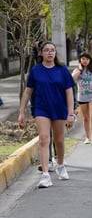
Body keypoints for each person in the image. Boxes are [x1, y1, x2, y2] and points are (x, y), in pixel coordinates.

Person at [18, 41, 76, 188]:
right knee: (44, 139)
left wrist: (70, 113)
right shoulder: (36, 71)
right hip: (41, 109)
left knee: (59, 140)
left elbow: (69, 93)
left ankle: (61, 165)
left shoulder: (62, 71)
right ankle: (45, 175)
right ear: (41, 53)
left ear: (55, 53)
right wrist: (21, 112)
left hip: (59, 109)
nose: (50, 53)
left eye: (52, 50)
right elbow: (27, 92)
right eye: (46, 50)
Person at [72, 52, 92, 145]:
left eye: (87, 59)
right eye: (83, 59)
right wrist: (79, 69)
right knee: (86, 118)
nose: (85, 61)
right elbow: (72, 79)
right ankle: (87, 137)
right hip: (82, 96)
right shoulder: (77, 70)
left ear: (90, 60)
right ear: (80, 60)